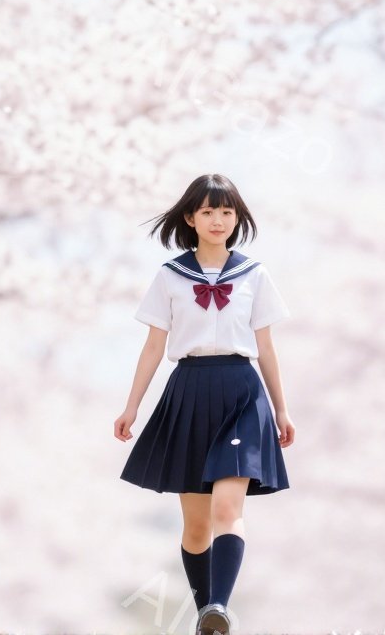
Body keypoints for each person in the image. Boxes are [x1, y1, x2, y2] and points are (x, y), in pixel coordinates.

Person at [115, 173, 295, 635]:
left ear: (238, 218)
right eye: (209, 211)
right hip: (189, 391)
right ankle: (205, 617)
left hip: (241, 391)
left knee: (226, 511)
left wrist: (281, 408)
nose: (218, 220)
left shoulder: (255, 274)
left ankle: (219, 606)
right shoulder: (170, 276)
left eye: (227, 211)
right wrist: (132, 406)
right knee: (196, 527)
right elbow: (154, 346)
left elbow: (268, 348)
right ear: (191, 218)